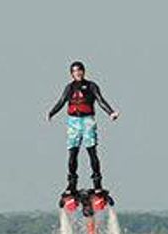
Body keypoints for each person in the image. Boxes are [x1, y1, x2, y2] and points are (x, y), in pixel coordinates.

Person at [47, 60, 119, 195]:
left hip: (87, 121)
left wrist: (111, 113)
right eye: (74, 71)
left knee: (92, 151)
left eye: (79, 70)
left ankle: (97, 183)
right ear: (71, 74)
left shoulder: (91, 86)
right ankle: (71, 184)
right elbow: (61, 101)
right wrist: (52, 112)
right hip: (73, 122)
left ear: (83, 71)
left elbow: (100, 100)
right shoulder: (69, 88)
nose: (77, 73)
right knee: (73, 153)